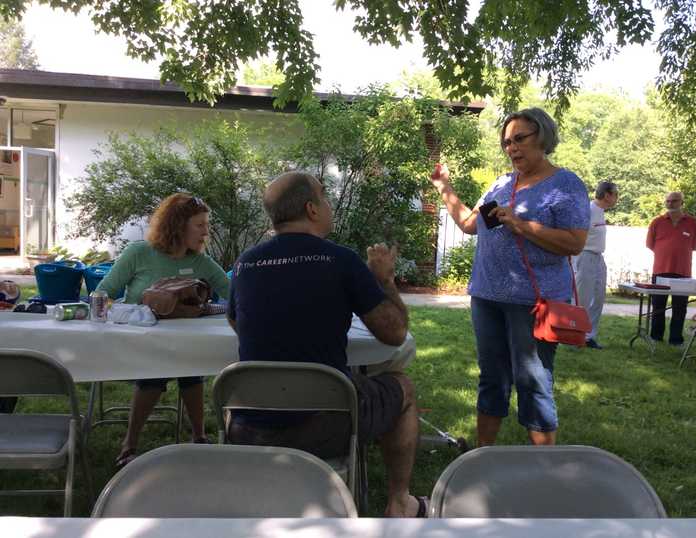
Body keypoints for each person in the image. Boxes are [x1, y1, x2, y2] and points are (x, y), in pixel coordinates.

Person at [227, 171, 425, 518]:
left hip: (247, 428)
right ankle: (400, 503)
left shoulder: (245, 263)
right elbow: (394, 334)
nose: (328, 204)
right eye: (324, 196)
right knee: (402, 388)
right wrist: (385, 280)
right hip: (322, 425)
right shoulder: (341, 260)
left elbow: (234, 322)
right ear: (311, 209)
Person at [429, 107, 590, 447]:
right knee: (491, 379)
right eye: (506, 143)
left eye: (519, 139)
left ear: (542, 137)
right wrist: (445, 187)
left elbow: (574, 243)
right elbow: (470, 224)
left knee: (533, 381)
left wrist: (519, 223)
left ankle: (543, 466)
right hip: (486, 297)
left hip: (533, 304)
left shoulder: (566, 184)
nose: (512, 148)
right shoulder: (502, 183)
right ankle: (483, 457)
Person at [97, 193, 229, 468]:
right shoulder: (139, 253)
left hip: (185, 347)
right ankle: (132, 443)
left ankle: (198, 436)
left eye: (207, 224)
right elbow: (103, 292)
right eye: (200, 225)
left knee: (188, 366)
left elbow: (235, 294)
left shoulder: (202, 262)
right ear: (178, 225)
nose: (207, 231)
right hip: (141, 345)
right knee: (162, 372)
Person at [646, 191, 696, 345]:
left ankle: (676, 340)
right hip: (660, 270)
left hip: (683, 272)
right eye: (668, 201)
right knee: (658, 306)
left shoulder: (692, 223)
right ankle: (656, 337)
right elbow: (650, 244)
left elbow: (694, 246)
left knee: (680, 308)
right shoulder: (657, 222)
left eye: (674, 201)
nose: (670, 204)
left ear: (682, 203)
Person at [572, 181, 619, 349]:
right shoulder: (588, 210)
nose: (617, 198)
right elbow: (574, 234)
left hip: (598, 258)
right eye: (615, 194)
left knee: (598, 298)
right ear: (607, 195)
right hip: (585, 256)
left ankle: (589, 336)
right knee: (582, 298)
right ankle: (574, 336)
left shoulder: (601, 212)